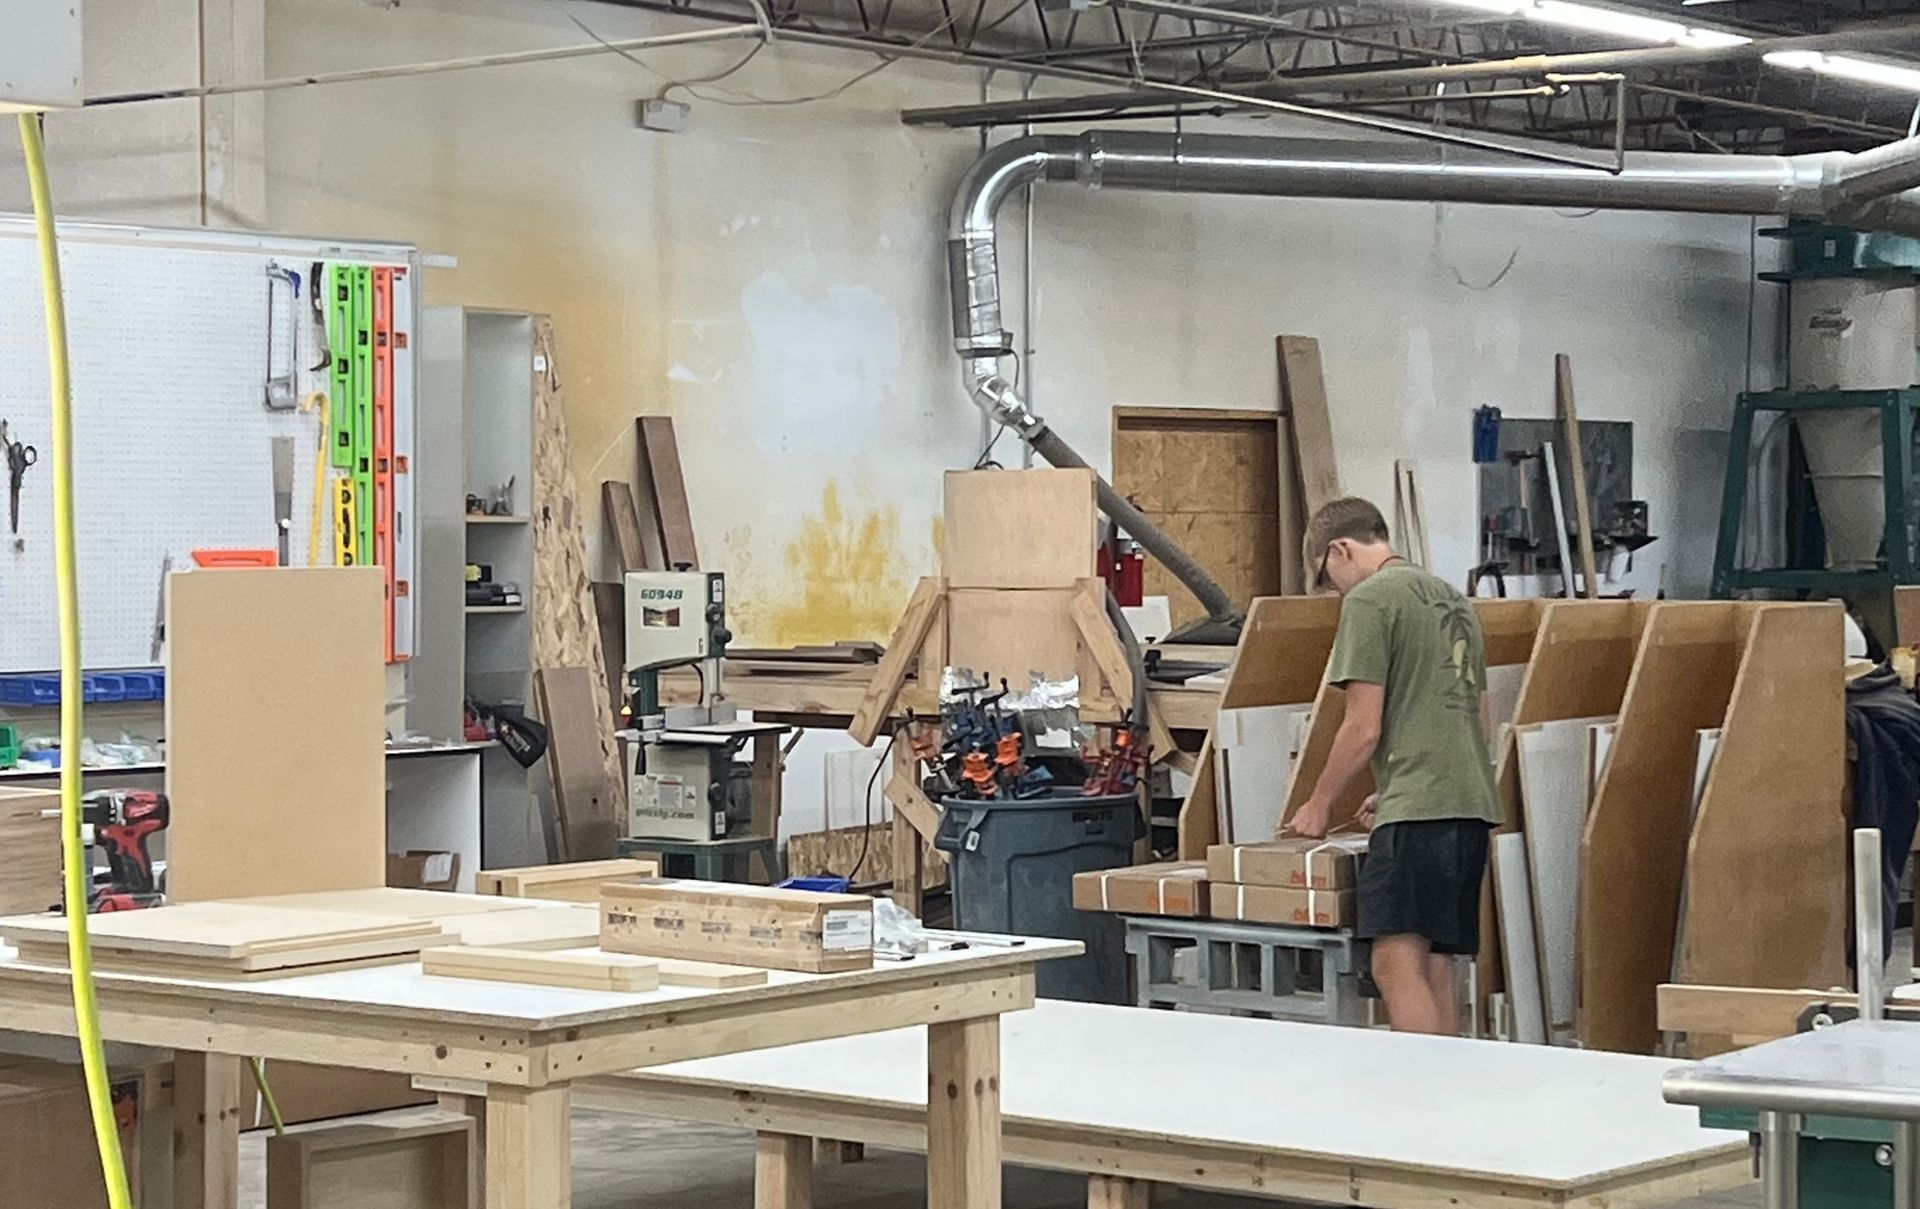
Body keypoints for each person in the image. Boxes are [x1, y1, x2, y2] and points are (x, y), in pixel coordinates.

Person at [1288, 496, 1500, 1035]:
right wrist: (1398, 786)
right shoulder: (1451, 598)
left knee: (1394, 962)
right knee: (1435, 966)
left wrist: (1319, 803)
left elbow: (1363, 726)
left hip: (1420, 814)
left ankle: (1420, 1104)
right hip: (1467, 802)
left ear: (1340, 549)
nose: (1333, 590)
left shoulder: (1370, 600)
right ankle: (1447, 1096)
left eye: (1326, 576)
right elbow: (1467, 712)